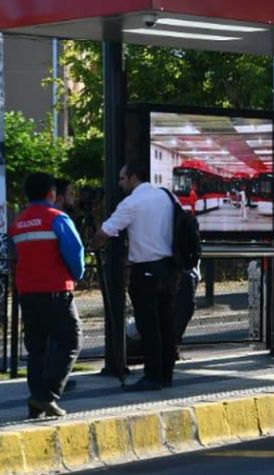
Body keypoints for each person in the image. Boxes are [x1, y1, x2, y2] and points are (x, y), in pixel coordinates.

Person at [91, 161, 177, 391]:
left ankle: (152, 376)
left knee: (149, 325)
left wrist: (93, 246)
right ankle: (166, 375)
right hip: (169, 268)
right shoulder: (167, 196)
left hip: (145, 269)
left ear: (132, 177)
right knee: (166, 323)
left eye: (121, 178)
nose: (119, 183)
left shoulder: (132, 203)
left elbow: (105, 232)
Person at [10, 172, 84, 418]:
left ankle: (36, 403)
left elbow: (15, 257)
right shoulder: (57, 218)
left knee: (37, 349)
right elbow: (75, 253)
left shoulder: (18, 223)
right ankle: (48, 395)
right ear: (52, 194)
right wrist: (76, 275)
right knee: (71, 341)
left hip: (28, 293)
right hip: (56, 291)